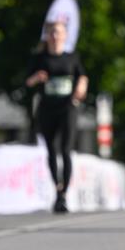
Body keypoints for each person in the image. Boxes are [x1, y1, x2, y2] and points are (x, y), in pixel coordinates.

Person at [26, 17, 88, 212]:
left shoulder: (71, 57)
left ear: (65, 36)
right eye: (52, 32)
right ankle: (57, 189)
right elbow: (27, 82)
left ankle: (65, 192)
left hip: (67, 107)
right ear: (47, 36)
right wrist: (36, 78)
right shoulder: (39, 58)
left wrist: (81, 86)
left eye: (58, 32)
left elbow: (82, 76)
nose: (55, 36)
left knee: (66, 148)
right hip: (47, 107)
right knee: (51, 148)